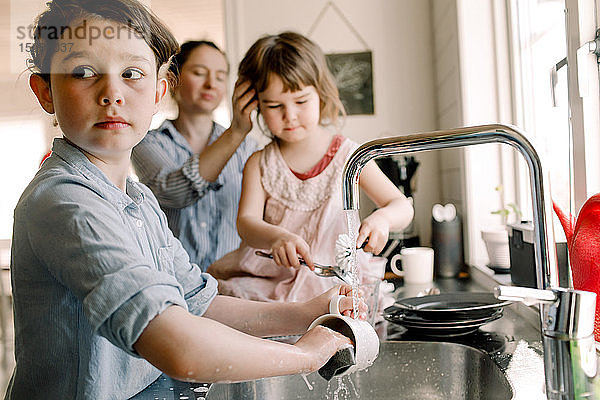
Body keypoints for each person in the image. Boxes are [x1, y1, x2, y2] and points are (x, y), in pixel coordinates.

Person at [9, 2, 365, 399]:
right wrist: (305, 355)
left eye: (132, 74)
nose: (112, 93)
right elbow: (177, 344)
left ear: (159, 92)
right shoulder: (66, 202)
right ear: (45, 92)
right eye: (83, 72)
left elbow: (197, 301)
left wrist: (305, 312)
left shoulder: (139, 200)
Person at [208, 32, 414, 303]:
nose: (289, 115)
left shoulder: (349, 155)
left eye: (301, 101)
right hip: (271, 284)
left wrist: (383, 219)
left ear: (322, 95)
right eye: (274, 105)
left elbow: (401, 206)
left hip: (334, 284)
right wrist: (276, 237)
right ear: (254, 103)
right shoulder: (259, 163)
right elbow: (246, 223)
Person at [131, 40, 259, 271]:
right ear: (173, 80)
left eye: (220, 77)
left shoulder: (247, 148)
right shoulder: (146, 142)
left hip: (235, 286)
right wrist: (235, 132)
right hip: (173, 285)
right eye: (200, 73)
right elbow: (176, 193)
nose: (211, 84)